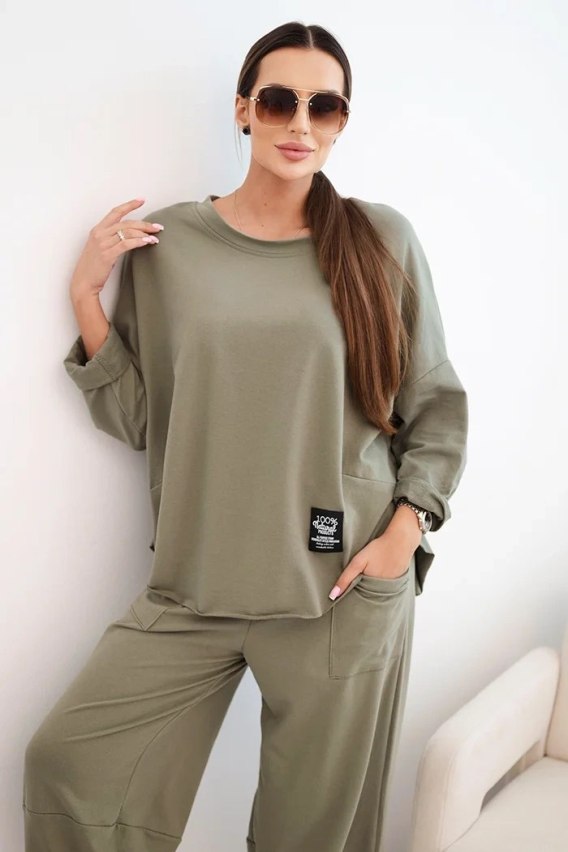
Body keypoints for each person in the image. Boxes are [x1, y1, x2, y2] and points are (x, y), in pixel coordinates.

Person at [22, 20, 468, 852]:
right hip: (195, 584)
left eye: (324, 106)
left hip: (340, 589)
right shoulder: (171, 247)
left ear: (342, 121)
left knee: (311, 837)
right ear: (242, 109)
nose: (300, 123)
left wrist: (404, 534)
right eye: (278, 101)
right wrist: (87, 297)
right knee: (68, 763)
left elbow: (436, 404)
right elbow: (143, 420)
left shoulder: (380, 242)